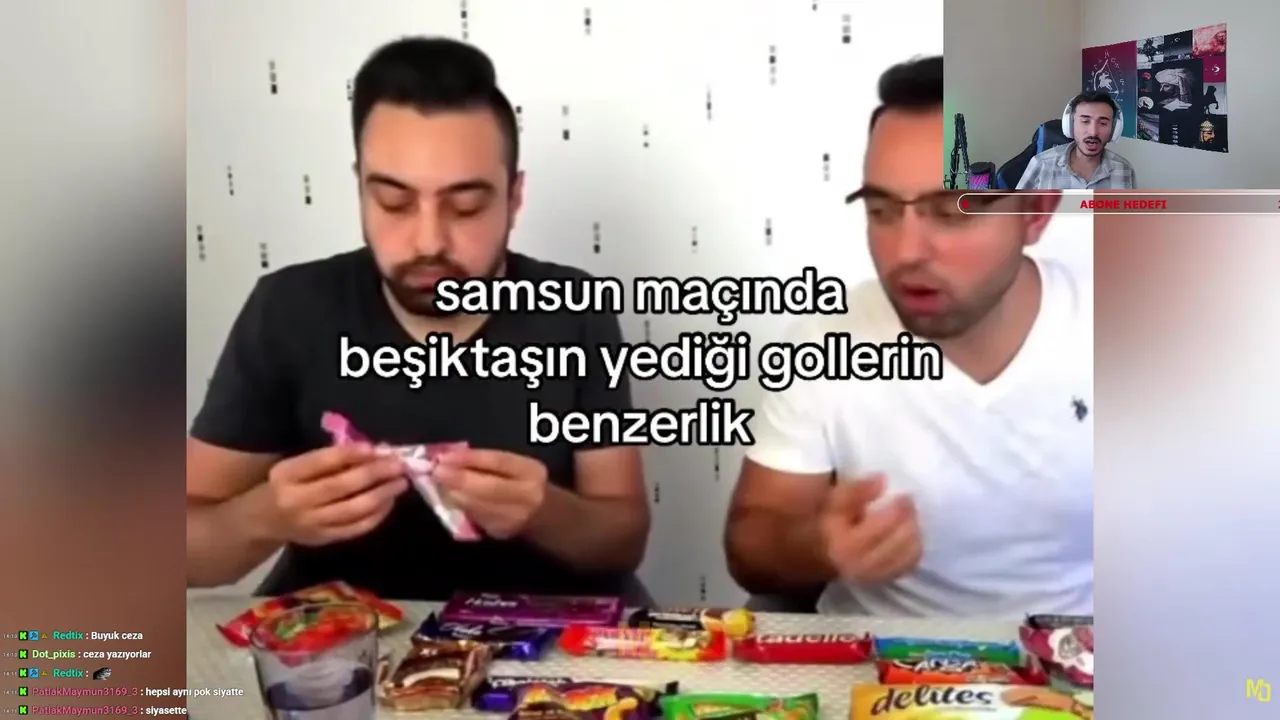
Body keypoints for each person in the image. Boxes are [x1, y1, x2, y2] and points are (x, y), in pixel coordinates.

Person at [186, 37, 651, 601]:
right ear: (360, 189)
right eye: (395, 202)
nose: (429, 241)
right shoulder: (289, 308)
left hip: (543, 634)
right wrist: (263, 517)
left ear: (514, 199)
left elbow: (623, 540)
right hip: (338, 636)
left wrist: (545, 511)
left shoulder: (574, 308)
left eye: (466, 206)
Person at [722, 56, 1093, 616]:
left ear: (1036, 211)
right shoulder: (827, 339)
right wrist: (819, 546)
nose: (906, 252)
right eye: (882, 210)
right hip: (874, 661)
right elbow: (754, 543)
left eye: (954, 211)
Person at [1017, 91, 1136, 189]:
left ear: (1114, 129)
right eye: (1085, 121)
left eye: (1103, 123)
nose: (1093, 132)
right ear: (1070, 125)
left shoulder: (1125, 170)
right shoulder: (1041, 164)